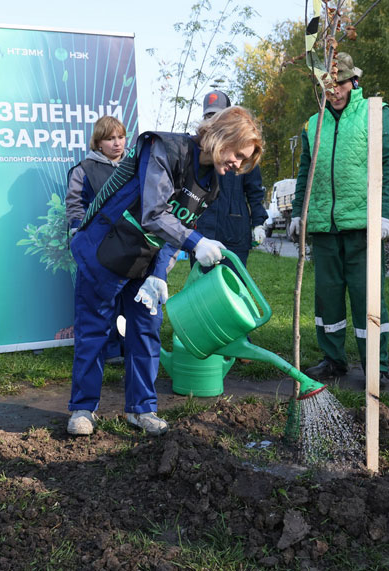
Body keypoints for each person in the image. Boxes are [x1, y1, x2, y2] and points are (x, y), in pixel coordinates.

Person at [67, 106, 263, 436]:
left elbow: (177, 228)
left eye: (244, 163)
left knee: (146, 329)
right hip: (104, 249)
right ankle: (83, 409)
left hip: (145, 261)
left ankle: (141, 409)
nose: (237, 166)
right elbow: (154, 213)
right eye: (238, 155)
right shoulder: (163, 149)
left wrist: (159, 274)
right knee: (95, 331)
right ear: (222, 137)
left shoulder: (211, 185)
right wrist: (197, 242)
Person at [288, 52, 389, 384]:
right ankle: (332, 360)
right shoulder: (314, 123)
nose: (333, 91)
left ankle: (375, 367)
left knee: (367, 298)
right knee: (328, 297)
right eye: (327, 85)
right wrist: (299, 212)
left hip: (362, 226)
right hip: (324, 226)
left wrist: (383, 212)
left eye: (339, 84)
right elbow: (305, 171)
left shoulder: (375, 113)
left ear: (354, 82)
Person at [65, 116, 128, 364]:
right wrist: (78, 234)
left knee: (126, 297)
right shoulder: (84, 169)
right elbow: (74, 204)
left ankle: (128, 345)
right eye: (110, 138)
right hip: (98, 244)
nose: (117, 143)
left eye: (120, 137)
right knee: (102, 298)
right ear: (98, 142)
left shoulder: (134, 166)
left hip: (129, 243)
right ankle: (110, 349)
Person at [191, 90, 268, 269]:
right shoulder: (197, 151)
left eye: (217, 115)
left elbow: (255, 190)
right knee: (202, 290)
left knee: (232, 287)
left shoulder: (243, 151)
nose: (213, 121)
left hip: (234, 233)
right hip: (203, 233)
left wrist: (258, 223)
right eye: (209, 116)